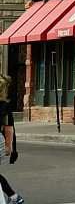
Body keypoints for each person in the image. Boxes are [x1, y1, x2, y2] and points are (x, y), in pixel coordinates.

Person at [0, 74, 25, 204]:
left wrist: (10, 147)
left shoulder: (4, 106)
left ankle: (14, 197)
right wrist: (10, 147)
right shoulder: (4, 105)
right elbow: (9, 128)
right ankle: (14, 197)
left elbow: (9, 128)